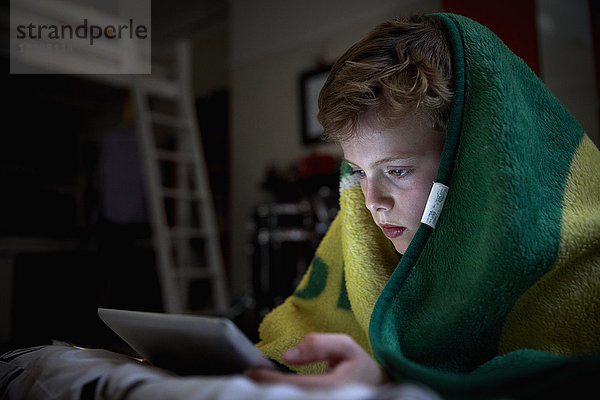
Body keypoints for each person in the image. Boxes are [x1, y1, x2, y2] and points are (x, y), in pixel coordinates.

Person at [246, 13, 600, 398]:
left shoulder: (585, 259)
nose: (371, 203)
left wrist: (386, 382)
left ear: (470, 161)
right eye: (359, 173)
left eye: (397, 170)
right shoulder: (368, 237)